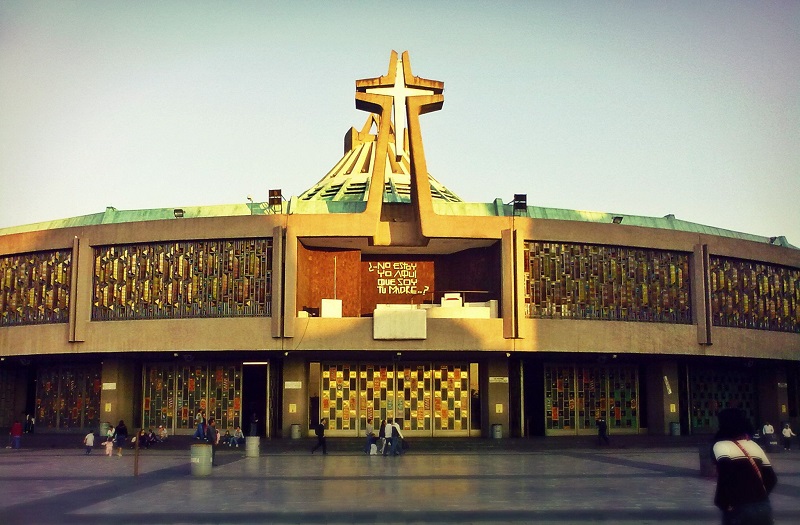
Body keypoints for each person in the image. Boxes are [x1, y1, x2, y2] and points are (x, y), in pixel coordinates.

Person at [713, 407, 777, 525]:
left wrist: (724, 503)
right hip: (762, 506)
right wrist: (758, 497)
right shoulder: (754, 445)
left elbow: (725, 476)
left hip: (739, 508)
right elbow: (771, 478)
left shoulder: (721, 446)